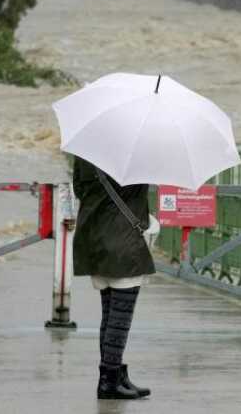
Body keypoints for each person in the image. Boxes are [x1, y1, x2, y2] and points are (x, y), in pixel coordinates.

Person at [71, 155, 156, 400]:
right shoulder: (136, 156)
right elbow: (138, 191)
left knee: (109, 315)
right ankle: (109, 382)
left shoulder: (85, 154)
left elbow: (79, 190)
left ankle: (114, 374)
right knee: (119, 319)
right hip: (123, 242)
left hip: (95, 240)